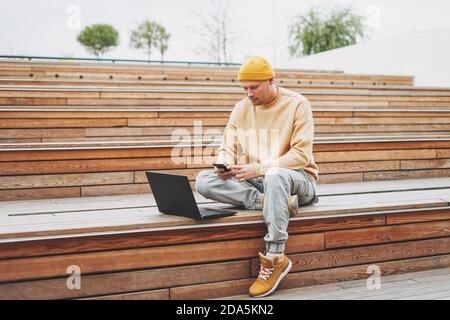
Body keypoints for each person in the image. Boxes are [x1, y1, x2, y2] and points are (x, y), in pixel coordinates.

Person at [195, 56, 319, 298]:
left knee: (275, 176)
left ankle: (275, 257)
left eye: (254, 87)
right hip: (260, 181)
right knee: (203, 179)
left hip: (297, 180)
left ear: (272, 80)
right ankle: (265, 202)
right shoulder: (241, 107)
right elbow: (227, 146)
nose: (248, 94)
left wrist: (260, 168)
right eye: (244, 88)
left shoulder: (297, 104)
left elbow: (301, 156)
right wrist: (225, 163)